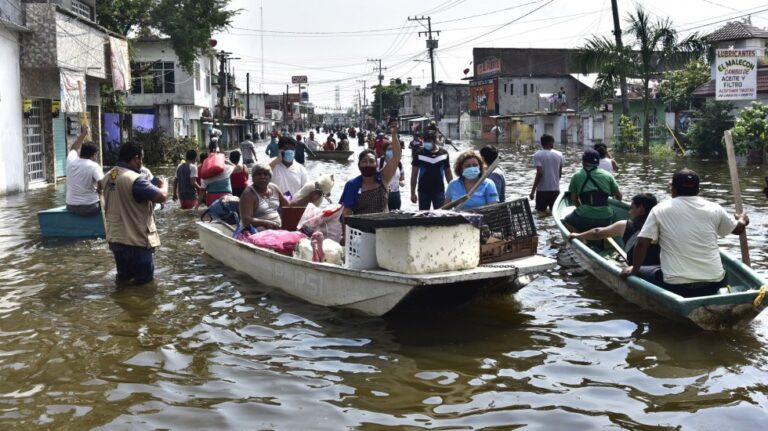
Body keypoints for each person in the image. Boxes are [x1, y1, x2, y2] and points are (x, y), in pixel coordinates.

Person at [621, 169, 749, 298]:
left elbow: (642, 244)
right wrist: (743, 220)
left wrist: (634, 269)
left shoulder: (659, 209)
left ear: (673, 189)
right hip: (715, 283)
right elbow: (738, 229)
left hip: (677, 286)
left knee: (634, 271)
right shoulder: (715, 208)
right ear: (698, 189)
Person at [100, 142, 167, 285]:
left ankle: (123, 304)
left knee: (123, 281)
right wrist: (164, 184)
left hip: (116, 239)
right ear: (136, 158)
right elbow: (161, 197)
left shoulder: (108, 176)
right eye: (141, 159)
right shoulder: (134, 179)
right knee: (144, 285)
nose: (141, 163)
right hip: (136, 241)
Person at [340, 125, 402, 243]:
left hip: (383, 231)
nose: (368, 164)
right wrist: (344, 235)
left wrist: (393, 134)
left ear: (377, 165)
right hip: (361, 233)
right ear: (359, 165)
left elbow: (396, 157)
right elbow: (346, 213)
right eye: (364, 162)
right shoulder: (352, 185)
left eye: (371, 161)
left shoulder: (383, 178)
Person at [568, 193, 661, 266]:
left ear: (641, 209)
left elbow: (597, 233)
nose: (629, 212)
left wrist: (578, 235)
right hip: (658, 267)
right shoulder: (661, 225)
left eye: (632, 208)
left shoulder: (625, 225)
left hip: (637, 268)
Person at [563, 149, 622, 232]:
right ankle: (606, 240)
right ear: (597, 163)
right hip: (605, 216)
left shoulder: (576, 176)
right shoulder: (608, 175)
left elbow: (574, 199)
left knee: (566, 221)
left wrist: (582, 209)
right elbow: (619, 196)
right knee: (612, 218)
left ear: (583, 162)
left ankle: (581, 239)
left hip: (584, 215)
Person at [65, 125, 104, 216]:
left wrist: (83, 134)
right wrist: (98, 190)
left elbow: (74, 148)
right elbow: (102, 182)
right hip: (90, 207)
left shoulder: (71, 160)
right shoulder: (94, 166)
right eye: (96, 155)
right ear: (94, 155)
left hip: (70, 206)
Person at [411, 131, 453, 210]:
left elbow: (448, 173)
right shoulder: (419, 153)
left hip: (439, 191)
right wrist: (412, 193)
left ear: (434, 141)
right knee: (423, 218)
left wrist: (453, 191)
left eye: (429, 141)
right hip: (423, 191)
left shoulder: (444, 153)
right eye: (425, 141)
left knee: (440, 217)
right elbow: (414, 175)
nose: (427, 143)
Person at [529, 134, 564, 212]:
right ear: (551, 143)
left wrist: (533, 191)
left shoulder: (537, 155)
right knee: (554, 214)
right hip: (555, 190)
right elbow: (559, 174)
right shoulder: (559, 155)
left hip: (542, 191)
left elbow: (540, 173)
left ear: (542, 143)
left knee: (540, 214)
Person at [378, 142, 405, 210]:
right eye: (389, 149)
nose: (392, 151)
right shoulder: (379, 162)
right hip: (381, 194)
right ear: (384, 151)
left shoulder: (399, 163)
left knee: (395, 216)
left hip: (395, 194)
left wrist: (402, 182)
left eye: (394, 149)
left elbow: (402, 177)